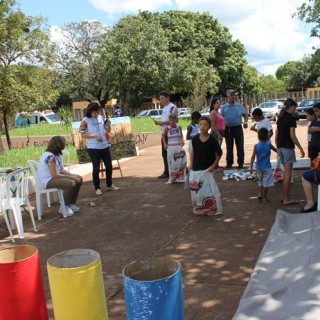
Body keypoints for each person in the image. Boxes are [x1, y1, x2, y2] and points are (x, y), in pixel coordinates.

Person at [79, 102, 119, 195]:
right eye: (94, 112)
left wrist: (108, 127)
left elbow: (105, 129)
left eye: (97, 112)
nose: (96, 114)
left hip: (104, 145)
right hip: (93, 147)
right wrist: (94, 136)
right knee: (96, 168)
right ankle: (97, 187)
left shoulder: (101, 118)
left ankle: (109, 185)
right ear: (90, 111)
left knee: (109, 166)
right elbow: (82, 135)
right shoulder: (85, 120)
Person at [37, 136, 83, 217]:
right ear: (59, 145)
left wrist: (73, 175)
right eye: (63, 144)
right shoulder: (49, 157)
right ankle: (63, 207)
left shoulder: (56, 155)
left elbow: (61, 170)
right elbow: (54, 175)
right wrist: (71, 177)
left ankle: (72, 204)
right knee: (71, 183)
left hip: (53, 177)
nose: (64, 145)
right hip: (47, 180)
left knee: (79, 178)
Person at [189, 116, 223, 216]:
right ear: (198, 126)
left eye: (205, 124)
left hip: (208, 169)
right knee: (196, 191)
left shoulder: (212, 140)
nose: (203, 126)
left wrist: (213, 166)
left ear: (209, 127)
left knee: (209, 190)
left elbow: (219, 154)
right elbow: (193, 152)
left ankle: (212, 208)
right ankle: (199, 207)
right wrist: (191, 164)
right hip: (196, 169)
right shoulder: (194, 139)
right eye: (201, 124)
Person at [275, 98, 305, 205]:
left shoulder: (280, 118)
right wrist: (300, 148)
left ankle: (284, 196)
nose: (295, 110)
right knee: (288, 174)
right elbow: (292, 136)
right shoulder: (291, 119)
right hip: (287, 148)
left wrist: (278, 145)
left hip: (280, 147)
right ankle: (286, 199)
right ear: (292, 107)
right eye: (295, 108)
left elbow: (277, 134)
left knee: (285, 174)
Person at [220, 89, 248, 169]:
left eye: (234, 95)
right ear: (228, 96)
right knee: (229, 146)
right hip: (228, 129)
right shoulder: (224, 107)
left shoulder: (239, 106)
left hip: (238, 128)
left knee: (240, 145)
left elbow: (245, 115)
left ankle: (241, 163)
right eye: (231, 95)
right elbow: (221, 119)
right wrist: (222, 130)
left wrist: (245, 122)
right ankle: (229, 163)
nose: (233, 96)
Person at [154, 91, 178, 178]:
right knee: (164, 153)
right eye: (160, 98)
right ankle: (167, 171)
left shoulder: (173, 107)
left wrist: (162, 123)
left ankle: (178, 170)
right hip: (164, 134)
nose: (161, 100)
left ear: (168, 98)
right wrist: (160, 123)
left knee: (174, 153)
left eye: (162, 98)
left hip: (172, 134)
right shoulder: (164, 109)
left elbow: (174, 121)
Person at [249, 128, 277, 203]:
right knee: (266, 183)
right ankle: (264, 198)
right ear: (267, 136)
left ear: (258, 136)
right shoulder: (269, 145)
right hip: (267, 167)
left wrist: (251, 167)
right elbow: (276, 150)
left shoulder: (256, 146)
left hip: (259, 167)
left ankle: (260, 194)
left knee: (261, 181)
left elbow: (253, 156)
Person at [162, 113, 187, 184]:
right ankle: (172, 178)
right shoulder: (167, 128)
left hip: (178, 147)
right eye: (170, 120)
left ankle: (181, 177)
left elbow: (181, 135)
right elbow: (163, 136)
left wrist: (182, 140)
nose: (171, 122)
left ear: (175, 120)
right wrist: (165, 144)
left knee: (181, 162)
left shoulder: (179, 127)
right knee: (172, 163)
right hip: (171, 148)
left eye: (173, 120)